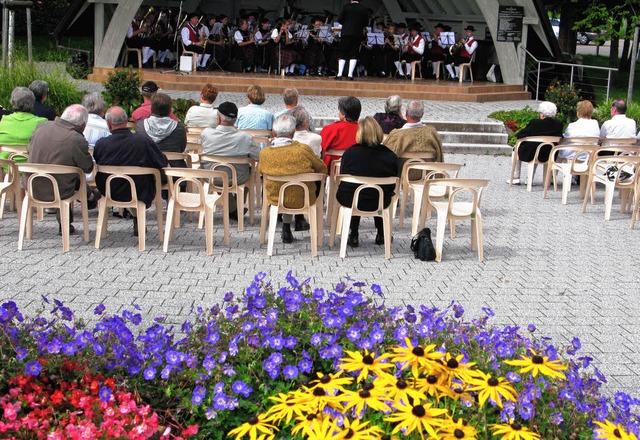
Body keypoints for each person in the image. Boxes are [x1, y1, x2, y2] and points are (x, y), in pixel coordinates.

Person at [93, 107, 168, 236]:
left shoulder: (101, 144)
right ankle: (138, 217)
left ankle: (134, 217)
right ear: (127, 121)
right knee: (148, 177)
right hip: (141, 192)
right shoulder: (142, 141)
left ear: (108, 124)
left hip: (110, 190)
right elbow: (162, 162)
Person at [27, 104, 99, 233]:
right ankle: (90, 198)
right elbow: (88, 168)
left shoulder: (40, 127)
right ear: (83, 126)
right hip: (60, 190)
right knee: (72, 176)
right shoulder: (76, 139)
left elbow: (29, 150)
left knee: (66, 175)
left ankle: (88, 199)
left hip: (32, 186)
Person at [258, 114, 327, 243]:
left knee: (284, 185)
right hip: (304, 197)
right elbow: (322, 169)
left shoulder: (265, 153)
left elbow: (260, 171)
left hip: (275, 197)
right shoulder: (303, 150)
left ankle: (285, 227)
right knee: (295, 186)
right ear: (293, 132)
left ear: (273, 132)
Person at [336, 116, 398, 247]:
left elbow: (345, 178)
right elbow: (392, 185)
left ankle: (353, 234)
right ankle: (382, 233)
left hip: (351, 200)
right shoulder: (390, 156)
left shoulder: (350, 153)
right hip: (379, 201)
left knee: (356, 189)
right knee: (377, 190)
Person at [199, 101, 260, 218]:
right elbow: (258, 156)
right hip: (238, 178)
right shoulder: (245, 137)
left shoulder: (206, 133)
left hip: (212, 176)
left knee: (222, 170)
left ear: (218, 118)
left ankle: (233, 209)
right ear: (235, 119)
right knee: (249, 170)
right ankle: (236, 207)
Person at [509, 101, 563, 185]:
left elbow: (520, 135)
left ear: (542, 114)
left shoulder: (535, 123)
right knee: (536, 148)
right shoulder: (559, 124)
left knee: (516, 148)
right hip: (550, 154)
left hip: (532, 154)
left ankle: (516, 177)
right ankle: (530, 179)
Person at [135, 93, 186, 167]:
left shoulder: (140, 126)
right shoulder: (179, 127)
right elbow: (181, 148)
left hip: (149, 171)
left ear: (151, 109)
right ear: (170, 110)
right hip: (174, 172)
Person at [320, 96, 361, 166]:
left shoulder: (330, 129)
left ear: (344, 114)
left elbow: (320, 151)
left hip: (333, 171)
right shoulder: (364, 131)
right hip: (358, 168)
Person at [334, 0, 369, 80]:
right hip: (357, 33)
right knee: (354, 54)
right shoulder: (363, 8)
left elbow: (340, 20)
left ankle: (339, 74)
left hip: (346, 33)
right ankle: (350, 75)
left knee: (343, 53)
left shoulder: (346, 7)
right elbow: (366, 22)